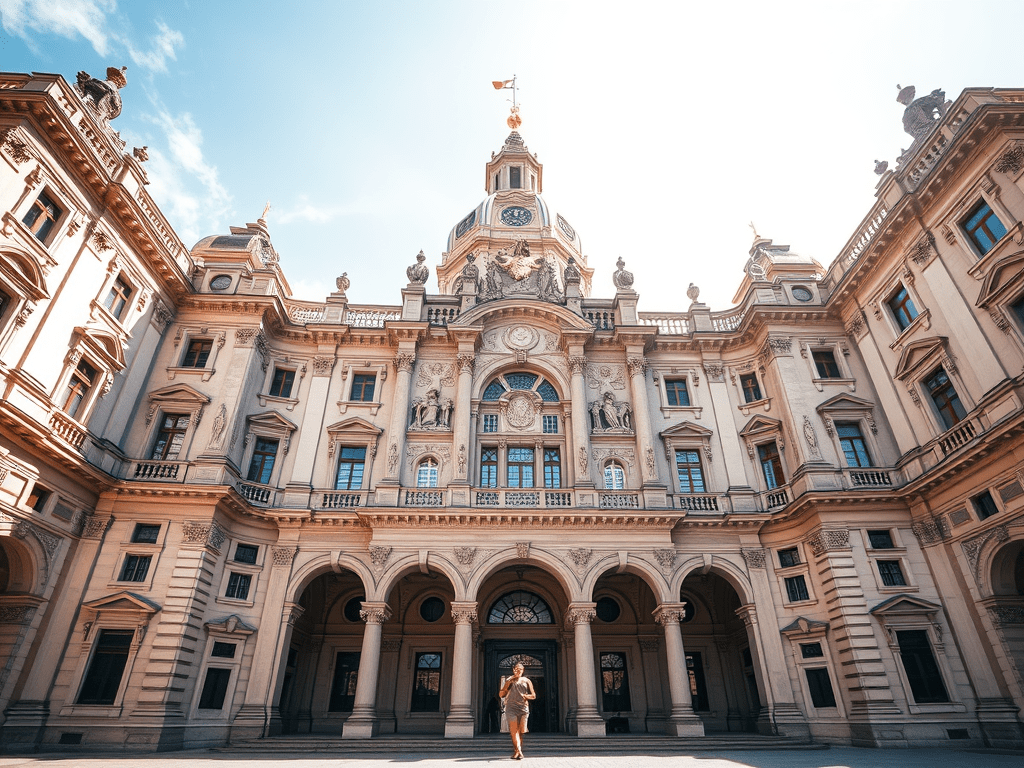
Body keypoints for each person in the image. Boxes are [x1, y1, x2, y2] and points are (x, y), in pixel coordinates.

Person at [499, 662, 536, 760]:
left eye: (520, 669)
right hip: (511, 708)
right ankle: (520, 751)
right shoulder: (509, 680)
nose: (518, 671)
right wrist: (507, 684)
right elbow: (501, 694)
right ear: (513, 670)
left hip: (523, 708)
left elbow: (533, 695)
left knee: (521, 731)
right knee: (514, 730)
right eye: (516, 669)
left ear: (523, 671)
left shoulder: (527, 681)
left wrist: (525, 696)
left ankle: (516, 752)